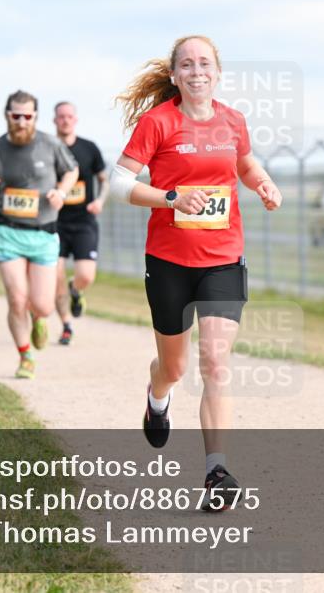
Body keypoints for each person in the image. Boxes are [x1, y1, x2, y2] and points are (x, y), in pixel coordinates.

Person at [110, 35, 282, 511]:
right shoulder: (158, 121)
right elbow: (118, 181)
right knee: (175, 366)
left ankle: (217, 470)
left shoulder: (233, 121)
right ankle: (157, 396)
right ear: (174, 75)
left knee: (215, 362)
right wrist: (170, 197)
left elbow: (244, 164)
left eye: (204, 63)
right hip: (168, 260)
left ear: (218, 71)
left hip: (223, 257)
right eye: (187, 64)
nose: (196, 71)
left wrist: (263, 183)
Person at [0, 90, 79, 379]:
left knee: (41, 304)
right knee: (17, 298)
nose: (21, 121)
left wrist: (61, 192)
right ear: (7, 115)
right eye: (16, 116)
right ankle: (25, 355)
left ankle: (40, 319)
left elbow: (72, 171)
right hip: (8, 232)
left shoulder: (50, 144)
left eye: (27, 116)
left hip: (43, 234)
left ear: (35, 117)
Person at [52, 101, 108, 345]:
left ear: (75, 120)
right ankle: (66, 325)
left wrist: (100, 200)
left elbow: (104, 180)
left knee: (86, 275)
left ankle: (76, 290)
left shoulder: (89, 148)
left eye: (69, 116)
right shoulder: (48, 148)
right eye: (61, 116)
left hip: (84, 220)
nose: (65, 120)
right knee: (56, 276)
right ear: (55, 120)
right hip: (55, 223)